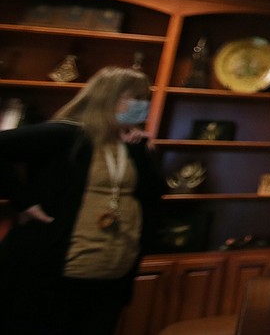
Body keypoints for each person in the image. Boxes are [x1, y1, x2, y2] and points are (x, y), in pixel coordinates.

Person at [0, 67, 165, 334]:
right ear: (107, 98)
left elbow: (155, 192)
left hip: (111, 275)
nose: (142, 105)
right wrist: (24, 201)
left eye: (145, 98)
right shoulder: (66, 134)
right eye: (135, 98)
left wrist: (142, 153)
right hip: (55, 276)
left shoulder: (131, 145)